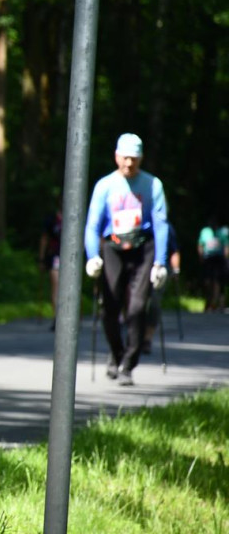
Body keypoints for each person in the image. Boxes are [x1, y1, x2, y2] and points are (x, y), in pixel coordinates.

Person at [84, 133, 169, 386]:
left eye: (134, 159)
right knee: (110, 307)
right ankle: (117, 353)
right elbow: (92, 225)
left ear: (141, 158)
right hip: (114, 248)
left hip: (143, 249)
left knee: (136, 307)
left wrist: (160, 262)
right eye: (125, 158)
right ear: (116, 156)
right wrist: (92, 257)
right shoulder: (105, 186)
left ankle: (128, 365)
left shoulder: (153, 185)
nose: (129, 164)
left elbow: (161, 224)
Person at [143, 223, 180, 354]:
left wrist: (176, 270)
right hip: (141, 267)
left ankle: (147, 338)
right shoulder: (141, 223)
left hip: (160, 270)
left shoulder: (167, 227)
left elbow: (174, 251)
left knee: (154, 302)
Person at [38, 201, 62, 331]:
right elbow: (44, 238)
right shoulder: (52, 220)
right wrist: (41, 259)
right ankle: (57, 317)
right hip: (55, 257)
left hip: (72, 258)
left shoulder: (76, 217)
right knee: (56, 287)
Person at [197, 216, 228, 312]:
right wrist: (201, 256)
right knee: (208, 281)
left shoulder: (222, 232)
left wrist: (225, 259)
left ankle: (216, 303)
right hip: (208, 258)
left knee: (217, 281)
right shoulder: (205, 231)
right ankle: (209, 302)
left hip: (218, 259)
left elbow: (226, 246)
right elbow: (200, 244)